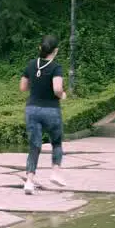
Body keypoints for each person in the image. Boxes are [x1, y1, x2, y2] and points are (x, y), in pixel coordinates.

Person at [20, 35, 67, 194]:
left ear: (40, 48)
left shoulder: (31, 64)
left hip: (32, 109)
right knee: (56, 143)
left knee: (34, 146)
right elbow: (57, 89)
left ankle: (29, 181)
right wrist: (63, 95)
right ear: (56, 50)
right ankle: (55, 172)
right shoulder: (56, 67)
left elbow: (23, 87)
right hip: (51, 110)